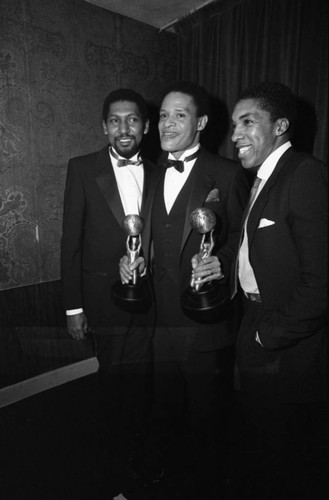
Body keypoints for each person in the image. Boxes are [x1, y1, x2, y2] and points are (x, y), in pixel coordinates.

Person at [120, 81, 249, 498]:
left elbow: (241, 240)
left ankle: (209, 484)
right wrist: (132, 259)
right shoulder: (153, 173)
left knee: (207, 414)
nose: (168, 123)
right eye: (163, 116)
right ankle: (159, 473)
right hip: (157, 318)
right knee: (163, 404)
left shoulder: (227, 174)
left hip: (203, 319)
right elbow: (147, 237)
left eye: (180, 115)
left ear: (202, 123)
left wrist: (221, 263)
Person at [60, 88, 158, 500]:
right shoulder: (82, 168)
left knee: (141, 379)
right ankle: (114, 466)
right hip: (102, 298)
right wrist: (73, 307)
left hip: (150, 297)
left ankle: (133, 455)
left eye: (132, 119)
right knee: (115, 379)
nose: (124, 128)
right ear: (104, 126)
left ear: (145, 126)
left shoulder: (158, 170)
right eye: (115, 120)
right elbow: (71, 241)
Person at [231, 82, 328, 496]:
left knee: (288, 452)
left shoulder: (305, 173)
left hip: (287, 340)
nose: (235, 134)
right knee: (259, 439)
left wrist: (267, 336)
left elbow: (321, 282)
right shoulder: (257, 180)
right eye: (234, 125)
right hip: (254, 321)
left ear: (281, 126)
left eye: (247, 122)